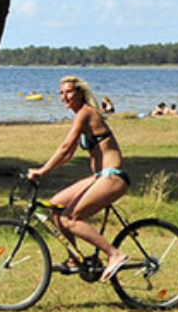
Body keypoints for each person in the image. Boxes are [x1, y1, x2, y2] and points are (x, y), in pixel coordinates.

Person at [28, 75, 131, 282]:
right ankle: (75, 258)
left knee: (70, 218)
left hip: (112, 177)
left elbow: (65, 146)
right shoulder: (80, 116)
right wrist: (48, 169)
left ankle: (115, 254)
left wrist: (42, 170)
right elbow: (68, 154)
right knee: (55, 207)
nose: (64, 97)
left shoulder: (85, 113)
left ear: (80, 93)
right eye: (61, 93)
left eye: (68, 92)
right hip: (99, 177)